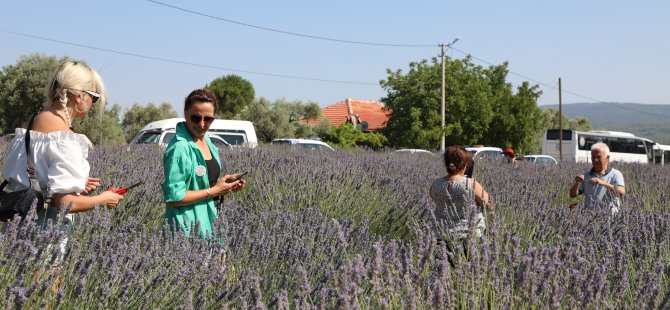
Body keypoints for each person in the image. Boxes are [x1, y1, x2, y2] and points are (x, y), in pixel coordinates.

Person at [1, 60, 125, 264]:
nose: (93, 105)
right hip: (43, 238)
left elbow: (33, 180)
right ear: (79, 96)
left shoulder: (33, 123)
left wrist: (77, 187)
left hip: (14, 231)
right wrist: (103, 199)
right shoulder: (64, 138)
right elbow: (63, 203)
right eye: (93, 97)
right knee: (44, 294)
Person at [162, 89, 245, 239]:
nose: (201, 124)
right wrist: (214, 191)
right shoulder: (180, 149)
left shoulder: (207, 141)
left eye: (208, 119)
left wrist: (225, 185)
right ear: (185, 114)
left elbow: (206, 183)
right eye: (195, 117)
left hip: (210, 222)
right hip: (186, 229)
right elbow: (174, 198)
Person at [429, 145, 492, 240]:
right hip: (468, 237)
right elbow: (489, 205)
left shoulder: (436, 184)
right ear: (465, 164)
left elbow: (435, 199)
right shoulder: (470, 183)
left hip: (441, 236)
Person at [569, 142, 625, 211]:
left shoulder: (615, 174)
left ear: (607, 158)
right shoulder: (586, 175)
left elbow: (621, 192)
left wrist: (602, 183)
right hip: (590, 217)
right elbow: (572, 195)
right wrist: (577, 183)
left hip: (610, 218)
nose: (595, 160)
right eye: (593, 157)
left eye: (599, 157)